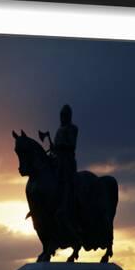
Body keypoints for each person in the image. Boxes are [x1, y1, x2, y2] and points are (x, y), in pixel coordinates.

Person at [51, 104, 80, 242]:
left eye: (64, 115)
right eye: (61, 115)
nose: (62, 118)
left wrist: (60, 147)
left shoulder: (73, 129)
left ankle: (67, 203)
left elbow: (71, 145)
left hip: (67, 161)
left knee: (67, 181)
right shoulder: (58, 130)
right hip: (58, 160)